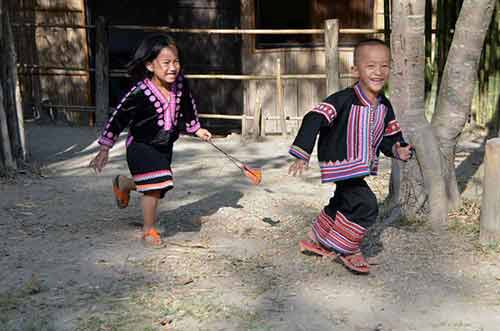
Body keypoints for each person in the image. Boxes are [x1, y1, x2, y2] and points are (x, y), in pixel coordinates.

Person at [288, 39, 413, 274]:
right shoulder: (342, 100)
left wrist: (399, 149)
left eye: (384, 66)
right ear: (355, 70)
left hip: (361, 166)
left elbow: (389, 137)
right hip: (341, 163)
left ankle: (316, 237)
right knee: (365, 204)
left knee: (343, 201)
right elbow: (314, 118)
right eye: (371, 66)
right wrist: (302, 152)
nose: (378, 72)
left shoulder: (385, 106)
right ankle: (347, 249)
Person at [89, 34, 212, 246]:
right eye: (166, 63)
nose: (173, 68)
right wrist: (104, 149)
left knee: (158, 186)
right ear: (149, 65)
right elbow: (117, 118)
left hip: (164, 145)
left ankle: (124, 184)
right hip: (140, 145)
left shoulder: (181, 86)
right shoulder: (139, 93)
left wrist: (196, 128)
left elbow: (188, 107)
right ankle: (149, 231)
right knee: (156, 184)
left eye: (176, 62)